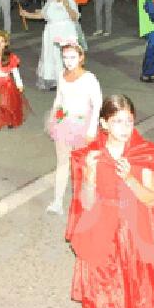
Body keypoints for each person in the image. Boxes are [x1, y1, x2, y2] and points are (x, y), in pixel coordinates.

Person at [65, 94, 154, 308]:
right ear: (104, 123)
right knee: (95, 289)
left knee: (129, 290)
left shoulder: (144, 153)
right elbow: (86, 204)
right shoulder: (89, 156)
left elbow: (150, 199)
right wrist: (89, 175)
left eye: (129, 121)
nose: (125, 128)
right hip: (99, 226)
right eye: (118, 122)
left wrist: (129, 178)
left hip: (132, 230)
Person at [45, 44, 103, 215]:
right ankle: (57, 201)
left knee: (83, 165)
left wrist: (92, 128)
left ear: (81, 58)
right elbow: (59, 98)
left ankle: (85, 201)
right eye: (65, 57)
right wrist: (53, 117)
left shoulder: (89, 78)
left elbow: (97, 102)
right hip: (63, 123)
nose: (68, 62)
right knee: (62, 163)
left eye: (72, 57)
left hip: (82, 125)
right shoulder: (62, 75)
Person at [20, 0, 82, 90]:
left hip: (66, 32)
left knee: (64, 56)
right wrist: (26, 14)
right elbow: (42, 15)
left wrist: (68, 6)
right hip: (51, 33)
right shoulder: (50, 1)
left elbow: (75, 17)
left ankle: (67, 80)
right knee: (52, 56)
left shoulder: (70, 0)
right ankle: (55, 80)